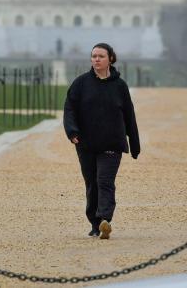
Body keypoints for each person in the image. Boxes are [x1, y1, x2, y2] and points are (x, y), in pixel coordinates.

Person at [63, 43, 140, 239]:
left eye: (101, 56)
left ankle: (105, 218)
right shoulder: (80, 84)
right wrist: (72, 132)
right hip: (86, 143)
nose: (96, 59)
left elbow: (129, 116)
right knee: (91, 183)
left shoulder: (120, 86)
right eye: (94, 56)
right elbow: (70, 109)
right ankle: (95, 223)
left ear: (110, 59)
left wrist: (135, 144)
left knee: (104, 180)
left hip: (112, 143)